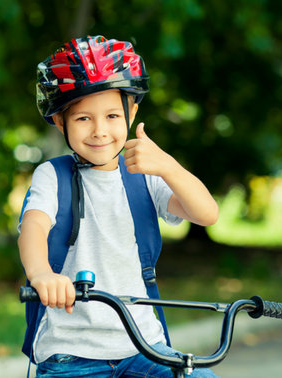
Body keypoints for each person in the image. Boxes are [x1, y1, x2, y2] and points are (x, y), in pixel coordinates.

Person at [18, 35, 219, 378]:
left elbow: (206, 213)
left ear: (132, 111)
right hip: (71, 355)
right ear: (59, 122)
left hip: (145, 349)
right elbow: (33, 227)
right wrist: (41, 275)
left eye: (112, 115)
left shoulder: (145, 175)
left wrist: (169, 166)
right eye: (83, 118)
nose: (100, 131)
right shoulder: (52, 176)